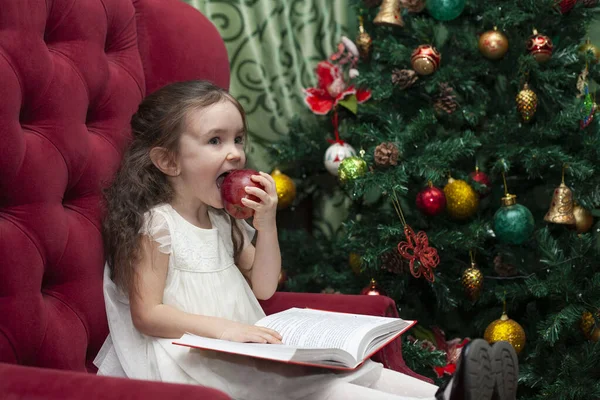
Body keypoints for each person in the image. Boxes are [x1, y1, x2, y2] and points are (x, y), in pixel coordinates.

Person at [94, 80, 518, 400]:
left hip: (241, 350)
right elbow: (148, 315)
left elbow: (263, 287)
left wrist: (267, 220)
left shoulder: (223, 220)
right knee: (317, 391)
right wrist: (228, 331)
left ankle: (444, 393)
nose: (236, 153)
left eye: (239, 138)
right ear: (167, 160)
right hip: (190, 361)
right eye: (215, 141)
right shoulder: (156, 225)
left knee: (348, 374)